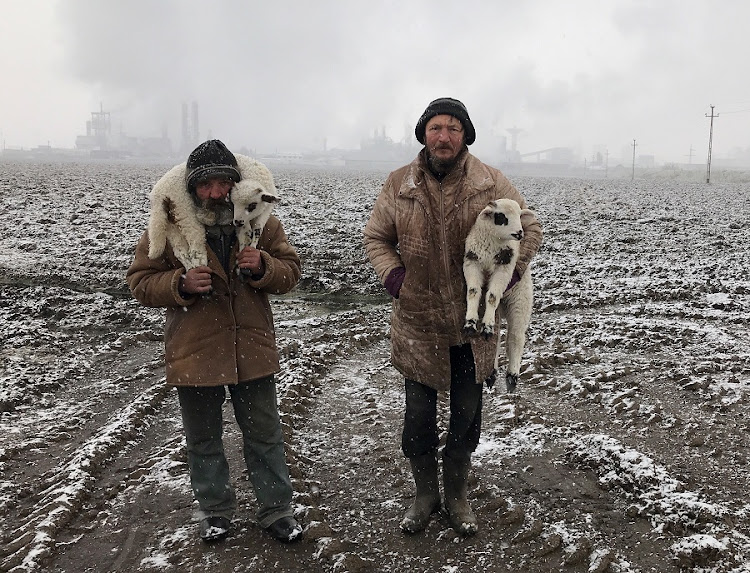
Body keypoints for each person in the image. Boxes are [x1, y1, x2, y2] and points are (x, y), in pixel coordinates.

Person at [363, 98, 543, 536]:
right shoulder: (399, 184)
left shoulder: (490, 183)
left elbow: (531, 227)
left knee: (466, 416)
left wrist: (511, 270)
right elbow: (376, 237)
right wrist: (395, 279)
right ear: (424, 133)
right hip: (418, 321)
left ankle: (457, 496)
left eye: (453, 129)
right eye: (436, 128)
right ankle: (425, 495)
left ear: (465, 136)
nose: (444, 136)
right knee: (418, 418)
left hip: (473, 325)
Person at [126, 139, 303, 544]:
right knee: (203, 439)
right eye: (206, 185)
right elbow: (138, 280)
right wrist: (179, 284)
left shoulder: (261, 220)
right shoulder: (168, 225)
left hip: (251, 347)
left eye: (224, 183)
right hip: (195, 349)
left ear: (235, 183)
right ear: (191, 187)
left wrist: (265, 267)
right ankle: (215, 511)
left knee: (264, 435)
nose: (216, 193)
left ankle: (276, 510)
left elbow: (292, 270)